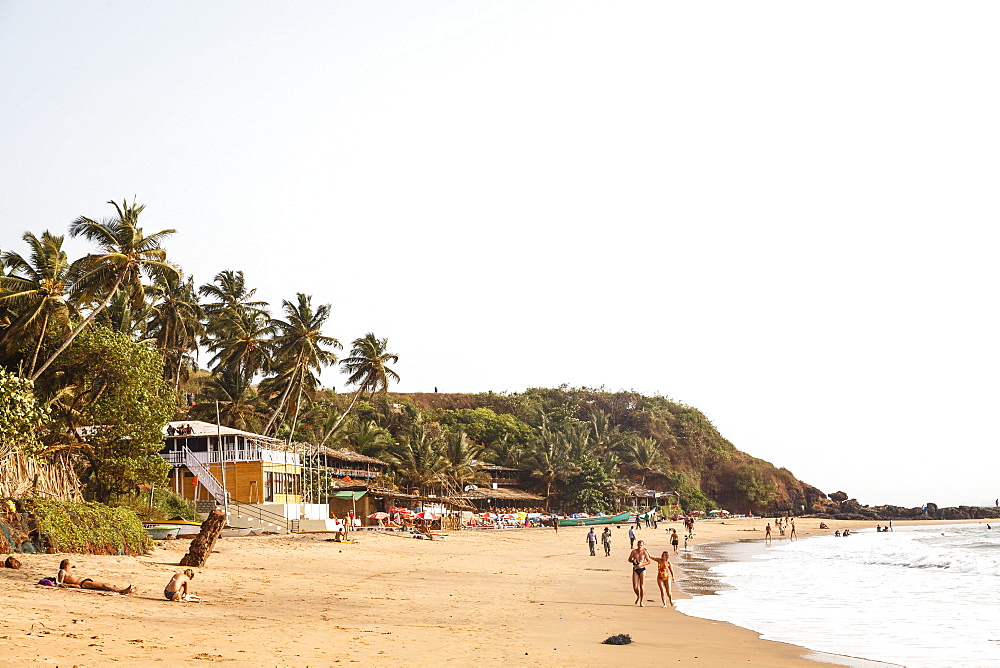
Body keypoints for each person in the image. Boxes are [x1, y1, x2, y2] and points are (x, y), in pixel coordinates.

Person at [56, 560, 133, 594]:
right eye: (69, 565)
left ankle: (123, 589)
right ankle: (122, 591)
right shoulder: (62, 572)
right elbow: (59, 583)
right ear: (66, 566)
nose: (70, 566)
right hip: (82, 584)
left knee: (105, 584)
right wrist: (72, 585)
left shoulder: (67, 571)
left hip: (85, 581)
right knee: (103, 585)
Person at [627, 540, 650, 606]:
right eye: (639, 545)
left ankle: (641, 601)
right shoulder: (634, 551)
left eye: (641, 545)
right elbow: (629, 559)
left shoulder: (644, 552)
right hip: (635, 569)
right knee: (635, 587)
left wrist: (642, 564)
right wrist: (633, 561)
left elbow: (648, 561)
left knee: (642, 586)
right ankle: (638, 596)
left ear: (643, 545)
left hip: (642, 569)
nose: (640, 546)